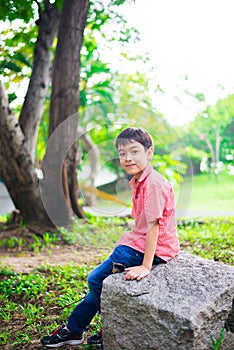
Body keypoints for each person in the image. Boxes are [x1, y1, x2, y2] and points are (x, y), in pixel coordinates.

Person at [40, 127, 180, 348]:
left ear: (149, 152)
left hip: (151, 248)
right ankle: (76, 330)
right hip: (137, 242)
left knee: (95, 279)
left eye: (134, 151)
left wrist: (145, 266)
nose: (127, 158)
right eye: (122, 153)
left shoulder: (154, 183)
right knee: (101, 281)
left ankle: (93, 328)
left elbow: (153, 226)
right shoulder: (138, 181)